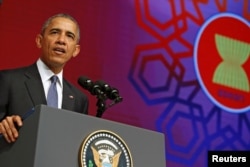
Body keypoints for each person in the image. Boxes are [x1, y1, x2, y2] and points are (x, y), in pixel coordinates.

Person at [0, 13, 89, 144]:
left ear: (76, 50)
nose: (61, 40)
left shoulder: (79, 99)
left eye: (69, 36)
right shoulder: (8, 81)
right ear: (39, 41)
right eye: (54, 32)